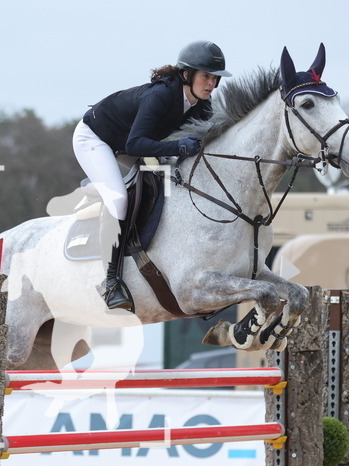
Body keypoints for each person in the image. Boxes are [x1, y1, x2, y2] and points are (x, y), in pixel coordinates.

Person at [73, 40, 231, 312]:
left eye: (215, 78)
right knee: (119, 199)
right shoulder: (160, 96)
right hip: (96, 139)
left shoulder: (202, 104)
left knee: (170, 180)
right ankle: (110, 282)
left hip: (126, 142)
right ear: (186, 74)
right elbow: (135, 144)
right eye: (206, 76)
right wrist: (178, 146)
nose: (211, 84)